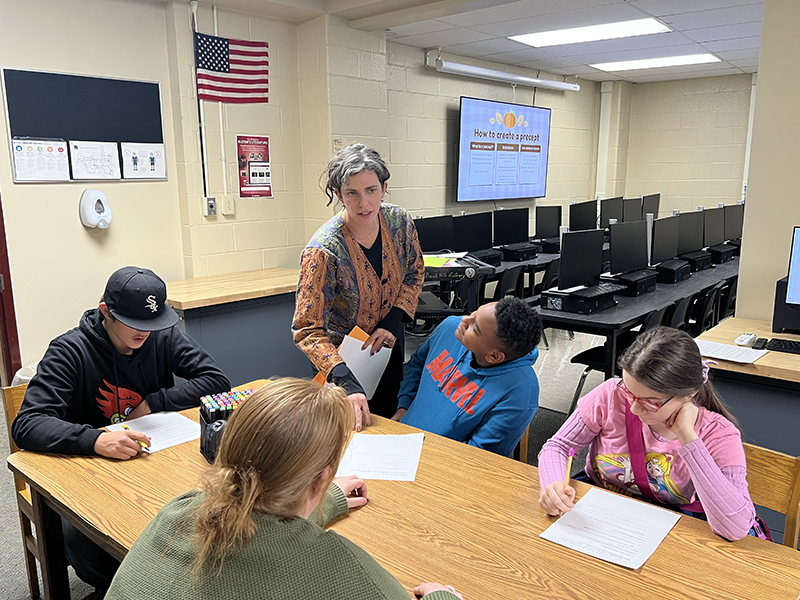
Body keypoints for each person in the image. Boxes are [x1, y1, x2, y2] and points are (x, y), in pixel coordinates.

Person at [105, 378, 463, 600]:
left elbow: (257, 516)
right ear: (320, 479)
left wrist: (322, 504)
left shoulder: (179, 510)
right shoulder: (339, 567)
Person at [12, 265, 231, 597]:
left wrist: (154, 402)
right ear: (106, 313)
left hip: (150, 461)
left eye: (152, 324)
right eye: (134, 324)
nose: (145, 333)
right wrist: (96, 438)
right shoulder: (70, 351)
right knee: (90, 546)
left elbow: (216, 381)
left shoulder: (161, 334)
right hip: (85, 469)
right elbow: (28, 423)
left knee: (202, 518)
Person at [538, 326, 762, 542]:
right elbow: (558, 446)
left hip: (675, 531)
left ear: (689, 394)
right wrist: (554, 483)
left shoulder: (718, 434)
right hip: (603, 514)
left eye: (651, 402)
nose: (634, 409)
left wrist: (688, 438)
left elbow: (735, 528)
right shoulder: (609, 395)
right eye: (628, 391)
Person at [292, 143, 424, 429]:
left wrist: (391, 323)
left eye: (371, 191)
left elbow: (414, 272)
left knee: (388, 427)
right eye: (352, 193)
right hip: (340, 365)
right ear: (338, 194)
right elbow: (307, 329)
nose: (364, 203)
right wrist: (345, 379)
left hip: (386, 349)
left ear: (384, 186)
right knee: (346, 437)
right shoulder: (324, 250)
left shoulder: (399, 222)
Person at [392, 298, 541, 457]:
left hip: (441, 464)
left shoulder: (521, 391)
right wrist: (404, 406)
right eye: (473, 314)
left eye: (475, 327)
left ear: (494, 356)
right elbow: (417, 364)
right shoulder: (450, 327)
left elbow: (480, 455)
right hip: (402, 440)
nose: (464, 320)